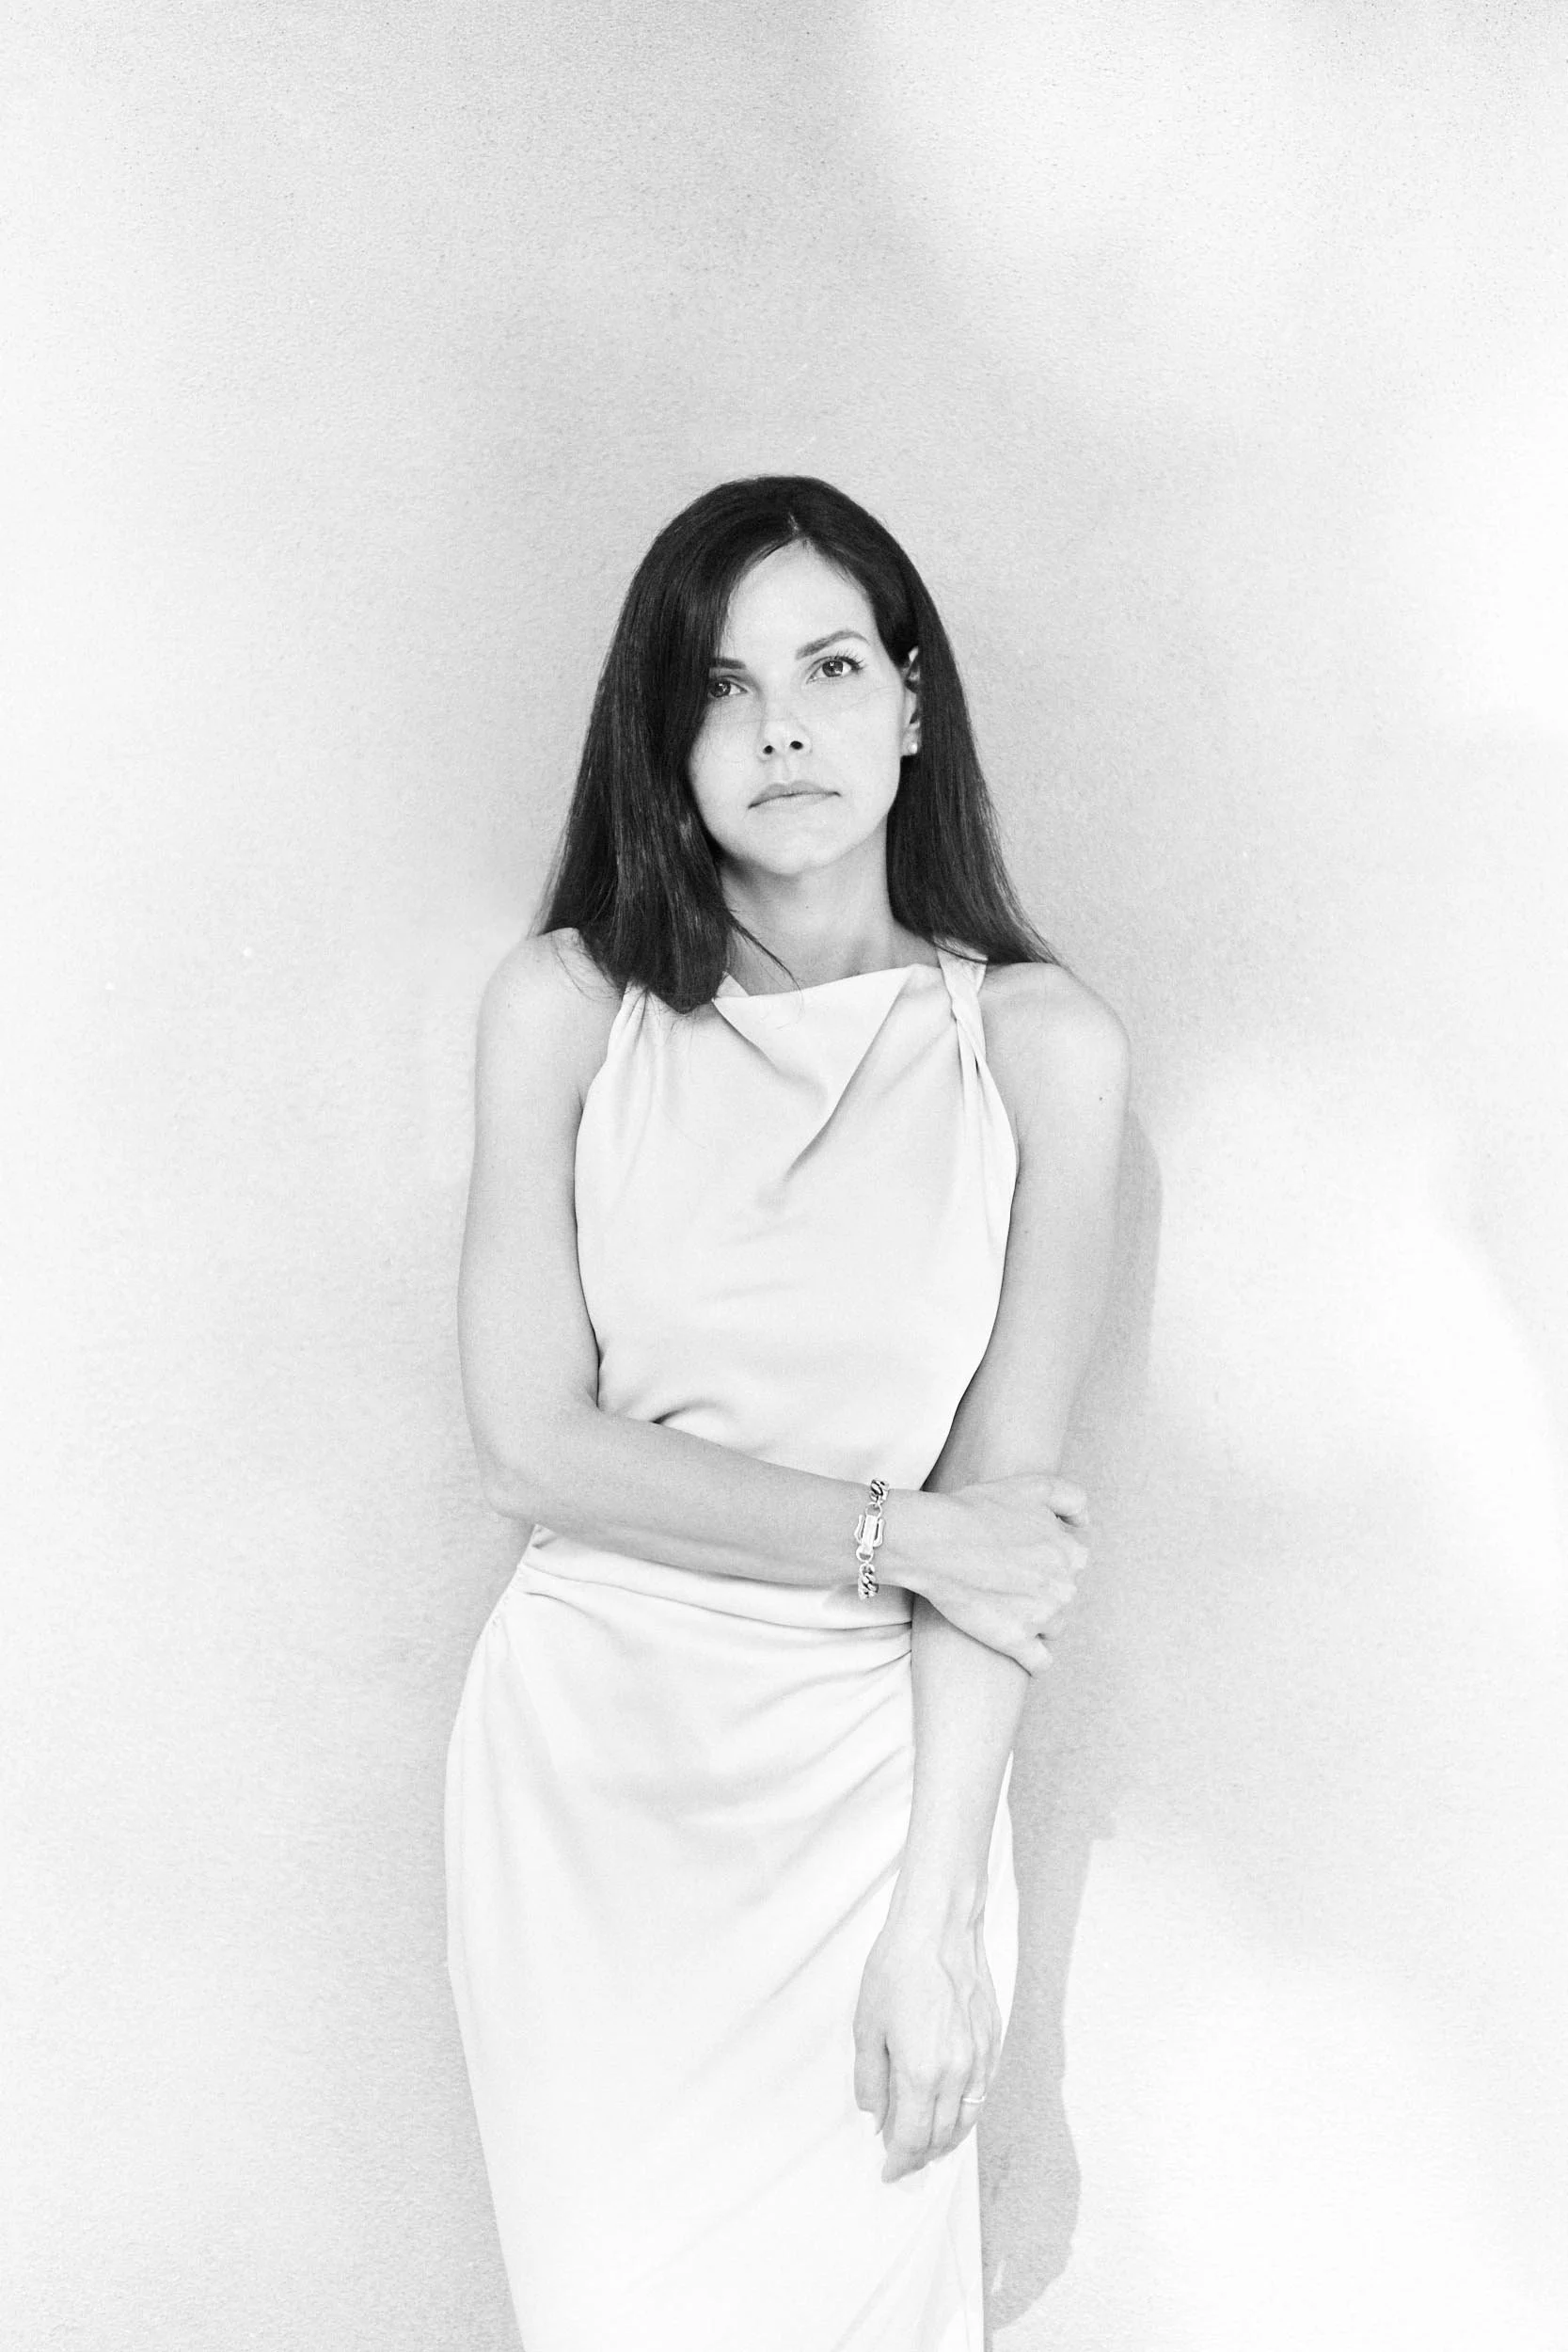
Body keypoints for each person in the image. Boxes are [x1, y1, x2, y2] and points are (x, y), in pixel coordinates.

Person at [446, 475, 1130, 2351]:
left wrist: (938, 1918)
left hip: (869, 1789)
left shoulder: (1036, 1049)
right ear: (665, 742)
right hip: (591, 1786)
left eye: (829, 666)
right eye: (722, 686)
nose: (782, 727)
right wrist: (892, 1532)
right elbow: (530, 1442)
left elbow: (1009, 1518)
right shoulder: (565, 1009)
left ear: (910, 703)